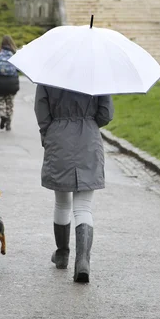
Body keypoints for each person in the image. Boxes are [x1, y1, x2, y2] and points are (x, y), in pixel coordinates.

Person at [34, 85, 114, 283]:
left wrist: (48, 132)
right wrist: (87, 121)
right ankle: (83, 262)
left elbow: (41, 109)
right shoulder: (97, 75)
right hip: (88, 138)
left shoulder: (49, 74)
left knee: (62, 202)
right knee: (84, 207)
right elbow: (106, 113)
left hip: (58, 137)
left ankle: (62, 254)